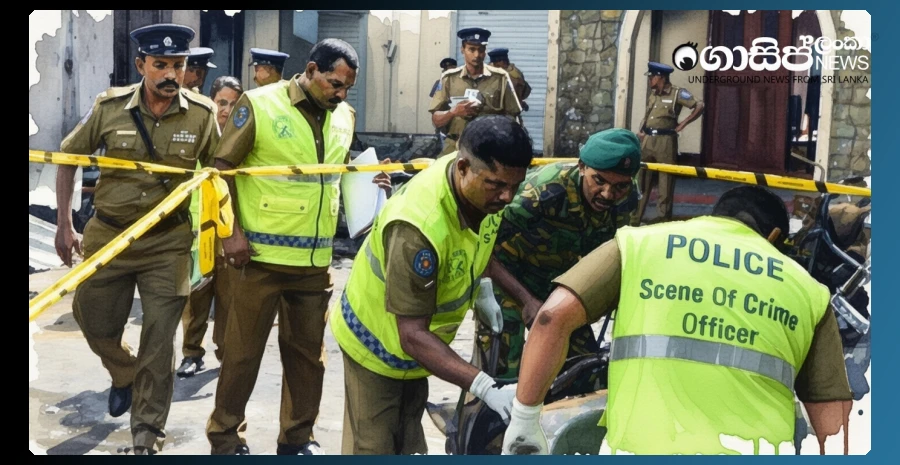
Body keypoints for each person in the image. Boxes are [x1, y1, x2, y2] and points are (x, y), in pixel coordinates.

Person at [502, 185, 854, 455]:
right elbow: (833, 420)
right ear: (774, 236)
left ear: (713, 217)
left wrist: (524, 420)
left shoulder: (639, 245)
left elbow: (550, 318)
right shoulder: (809, 291)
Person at [206, 38, 389, 456]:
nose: (340, 94)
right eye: (334, 83)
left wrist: (370, 181)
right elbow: (221, 171)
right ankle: (225, 437)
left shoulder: (344, 115)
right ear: (310, 70)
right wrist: (229, 233)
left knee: (308, 358)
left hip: (314, 262)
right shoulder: (259, 104)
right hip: (258, 259)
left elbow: (335, 174)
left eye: (347, 88)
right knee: (241, 355)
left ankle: (296, 438)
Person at [54, 23, 220, 455]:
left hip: (166, 243)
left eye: (178, 65)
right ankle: (123, 371)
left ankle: (146, 435)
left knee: (159, 340)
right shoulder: (108, 108)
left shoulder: (202, 116)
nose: (170, 73)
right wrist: (65, 224)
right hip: (109, 235)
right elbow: (66, 158)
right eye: (160, 64)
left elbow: (221, 176)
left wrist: (217, 239)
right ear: (141, 64)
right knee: (93, 320)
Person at [330, 115, 535, 455]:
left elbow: (477, 245)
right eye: (497, 185)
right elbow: (411, 334)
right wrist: (483, 385)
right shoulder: (418, 227)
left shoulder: (480, 193)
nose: (507, 196)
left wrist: (521, 297)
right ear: (463, 167)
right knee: (373, 446)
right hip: (376, 344)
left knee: (409, 443)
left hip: (418, 353)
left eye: (515, 186)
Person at [486, 129, 640, 379]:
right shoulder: (543, 193)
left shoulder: (627, 199)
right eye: (598, 181)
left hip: (559, 282)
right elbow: (484, 250)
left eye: (620, 186)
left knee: (585, 369)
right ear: (581, 167)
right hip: (506, 278)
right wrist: (526, 300)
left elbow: (616, 250)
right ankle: (481, 417)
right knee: (501, 370)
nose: (608, 194)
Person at [176, 76, 244, 377]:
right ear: (211, 102)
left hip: (229, 234)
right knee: (196, 299)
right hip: (198, 234)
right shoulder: (196, 137)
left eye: (233, 104)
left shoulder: (244, 141)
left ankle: (226, 353)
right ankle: (191, 352)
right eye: (222, 103)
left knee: (229, 301)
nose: (227, 110)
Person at [631, 61, 704, 226]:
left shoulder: (678, 93)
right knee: (642, 180)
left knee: (665, 181)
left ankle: (662, 219)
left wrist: (684, 123)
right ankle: (635, 218)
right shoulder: (654, 94)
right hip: (648, 140)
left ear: (660, 77)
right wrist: (641, 130)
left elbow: (699, 105)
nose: (650, 80)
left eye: (652, 77)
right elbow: (648, 114)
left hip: (666, 141)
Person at [429, 27, 522, 156]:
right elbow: (436, 119)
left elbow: (514, 117)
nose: (477, 55)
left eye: (481, 50)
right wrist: (453, 112)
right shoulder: (449, 78)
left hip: (490, 149)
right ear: (463, 49)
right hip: (456, 148)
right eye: (471, 49)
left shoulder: (500, 77)